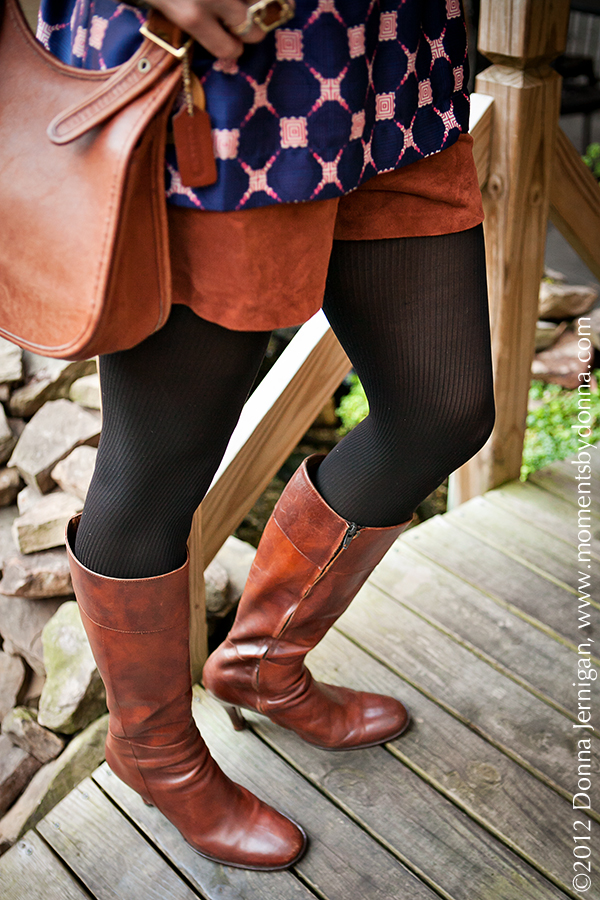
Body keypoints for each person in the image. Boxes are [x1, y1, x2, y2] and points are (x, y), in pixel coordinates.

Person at [40, 0, 495, 872]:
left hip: (398, 60)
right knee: (162, 464)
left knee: (443, 404)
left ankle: (258, 662)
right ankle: (151, 748)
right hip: (221, 78)